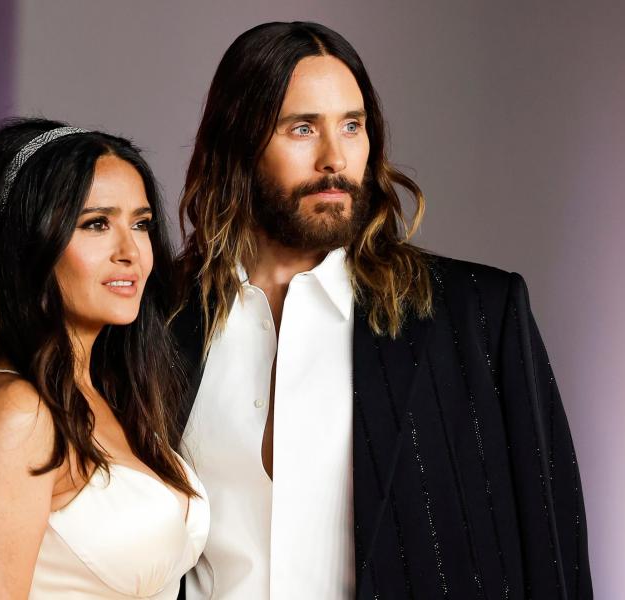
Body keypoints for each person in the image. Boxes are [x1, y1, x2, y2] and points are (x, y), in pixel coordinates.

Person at [172, 22, 592, 600]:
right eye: (301, 128)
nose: (334, 158)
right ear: (237, 142)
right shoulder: (160, 320)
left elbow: (553, 550)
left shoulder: (476, 315)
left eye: (352, 126)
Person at [0, 118, 208, 599]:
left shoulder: (111, 394)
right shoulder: (18, 412)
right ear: (30, 245)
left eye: (140, 224)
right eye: (96, 224)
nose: (131, 252)